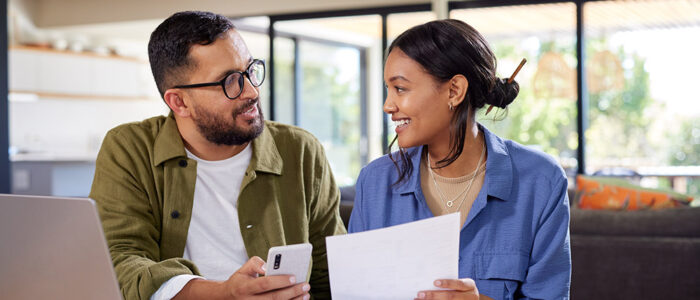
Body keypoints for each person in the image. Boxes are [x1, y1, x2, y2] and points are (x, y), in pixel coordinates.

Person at [90, 11, 346, 300]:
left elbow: (334, 275)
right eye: (229, 81)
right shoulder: (129, 149)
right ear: (179, 101)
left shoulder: (300, 151)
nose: (251, 91)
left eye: (250, 70)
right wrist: (224, 293)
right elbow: (120, 262)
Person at [348, 19, 571, 300]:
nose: (388, 105)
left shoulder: (541, 181)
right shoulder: (375, 183)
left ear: (454, 91)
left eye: (401, 89)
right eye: (388, 89)